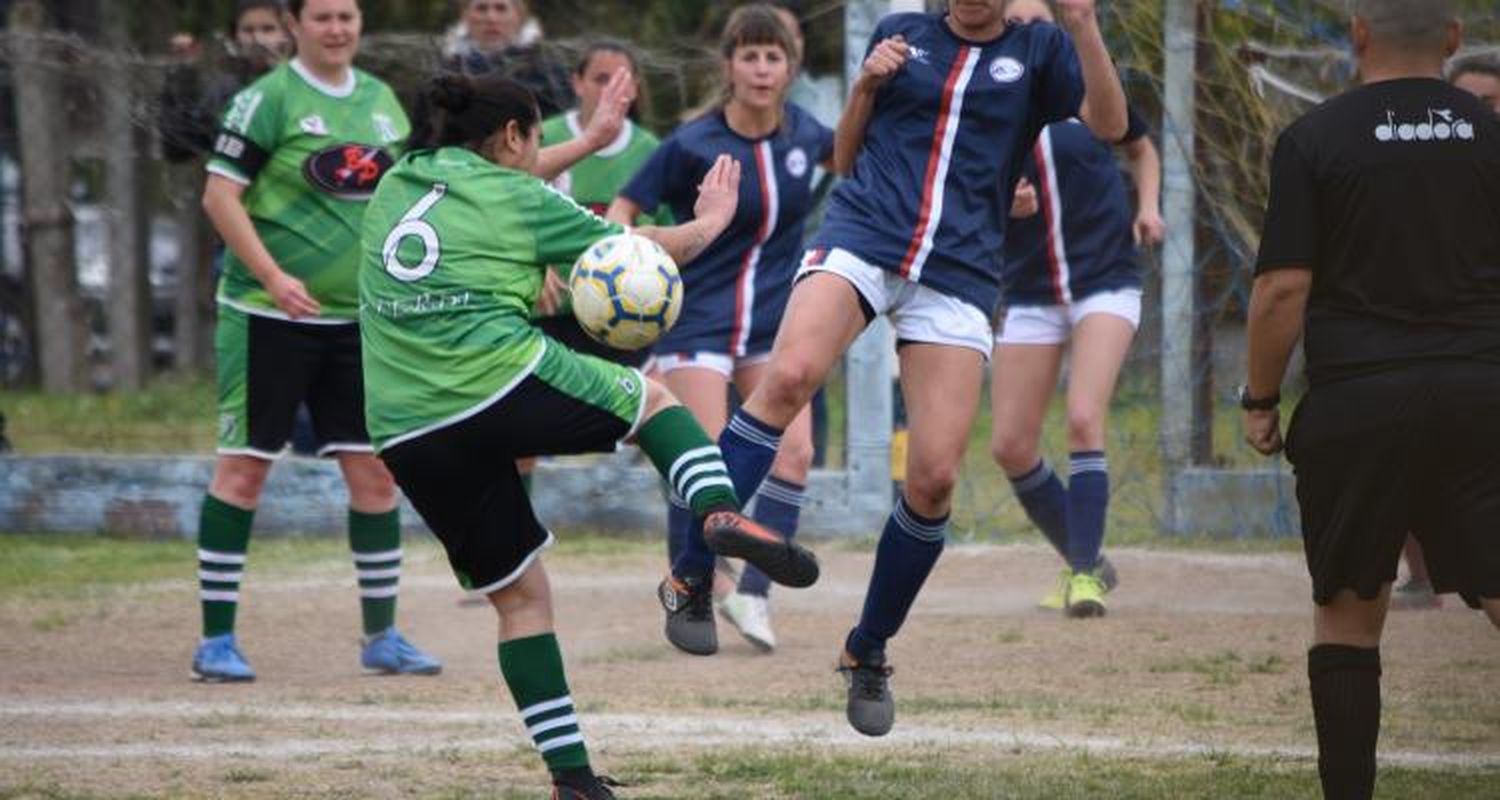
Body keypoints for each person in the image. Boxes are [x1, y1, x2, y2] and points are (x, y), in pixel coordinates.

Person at [359, 73, 819, 799]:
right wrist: (711, 223)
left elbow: (485, 175)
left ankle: (572, 782)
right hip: (492, 380)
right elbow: (641, 253)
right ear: (512, 137)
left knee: (521, 601)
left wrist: (591, 139)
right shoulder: (523, 198)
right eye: (537, 139)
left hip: (403, 426)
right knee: (654, 401)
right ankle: (719, 513)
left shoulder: (397, 177)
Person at [710, 0, 1125, 735]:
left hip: (959, 271)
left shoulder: (1040, 51)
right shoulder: (901, 34)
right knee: (789, 375)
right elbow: (844, 158)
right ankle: (688, 574)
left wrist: (1086, 25)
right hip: (866, 236)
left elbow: (1110, 124)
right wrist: (867, 84)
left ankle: (866, 650)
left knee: (934, 476)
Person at [1243, 1, 1500, 797]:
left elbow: (1283, 288)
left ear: (1358, 36)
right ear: (1454, 39)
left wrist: (1259, 399)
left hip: (1359, 401)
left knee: (1350, 616)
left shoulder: (1315, 139)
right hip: (1481, 393)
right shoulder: (1493, 134)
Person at [191, 0, 441, 682]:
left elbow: (406, 198)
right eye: (323, 16)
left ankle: (382, 636)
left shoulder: (383, 103)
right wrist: (272, 277)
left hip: (358, 324)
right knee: (244, 471)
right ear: (294, 24)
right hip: (267, 317)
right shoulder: (266, 99)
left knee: (375, 474)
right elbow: (219, 196)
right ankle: (215, 642)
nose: (337, 28)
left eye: (347, 15)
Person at [609, 4, 834, 656]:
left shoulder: (807, 136)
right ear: (728, 65)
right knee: (703, 460)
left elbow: (864, 161)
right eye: (750, 56)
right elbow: (624, 209)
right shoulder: (691, 144)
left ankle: (755, 597)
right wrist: (629, 263)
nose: (762, 69)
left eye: (774, 57)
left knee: (795, 454)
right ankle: (693, 589)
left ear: (790, 69)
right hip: (697, 322)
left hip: (772, 323)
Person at [988, 0, 1163, 619]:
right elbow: (958, 189)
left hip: (1102, 281)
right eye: (1020, 24)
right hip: (1031, 290)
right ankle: (1087, 554)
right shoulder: (988, 103)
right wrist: (1002, 202)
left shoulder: (1086, 90)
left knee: (1085, 418)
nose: (1033, 34)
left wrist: (1149, 206)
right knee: (1010, 444)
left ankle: (1082, 574)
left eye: (1043, 22)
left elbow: (1139, 145)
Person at [1390, 53, 1500, 612]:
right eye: (1466, 104)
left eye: (1491, 105)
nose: (1479, 116)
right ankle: (1423, 575)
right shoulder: (1403, 172)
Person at [159, 0, 292, 164]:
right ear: (236, 36)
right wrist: (182, 72)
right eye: (248, 30)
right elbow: (178, 149)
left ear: (288, 33)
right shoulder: (227, 91)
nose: (257, 39)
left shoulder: (306, 82)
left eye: (268, 29)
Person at [442, 0, 574, 118]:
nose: (491, 18)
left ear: (520, 17)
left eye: (501, 8)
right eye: (481, 8)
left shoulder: (548, 73)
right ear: (465, 16)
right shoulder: (447, 70)